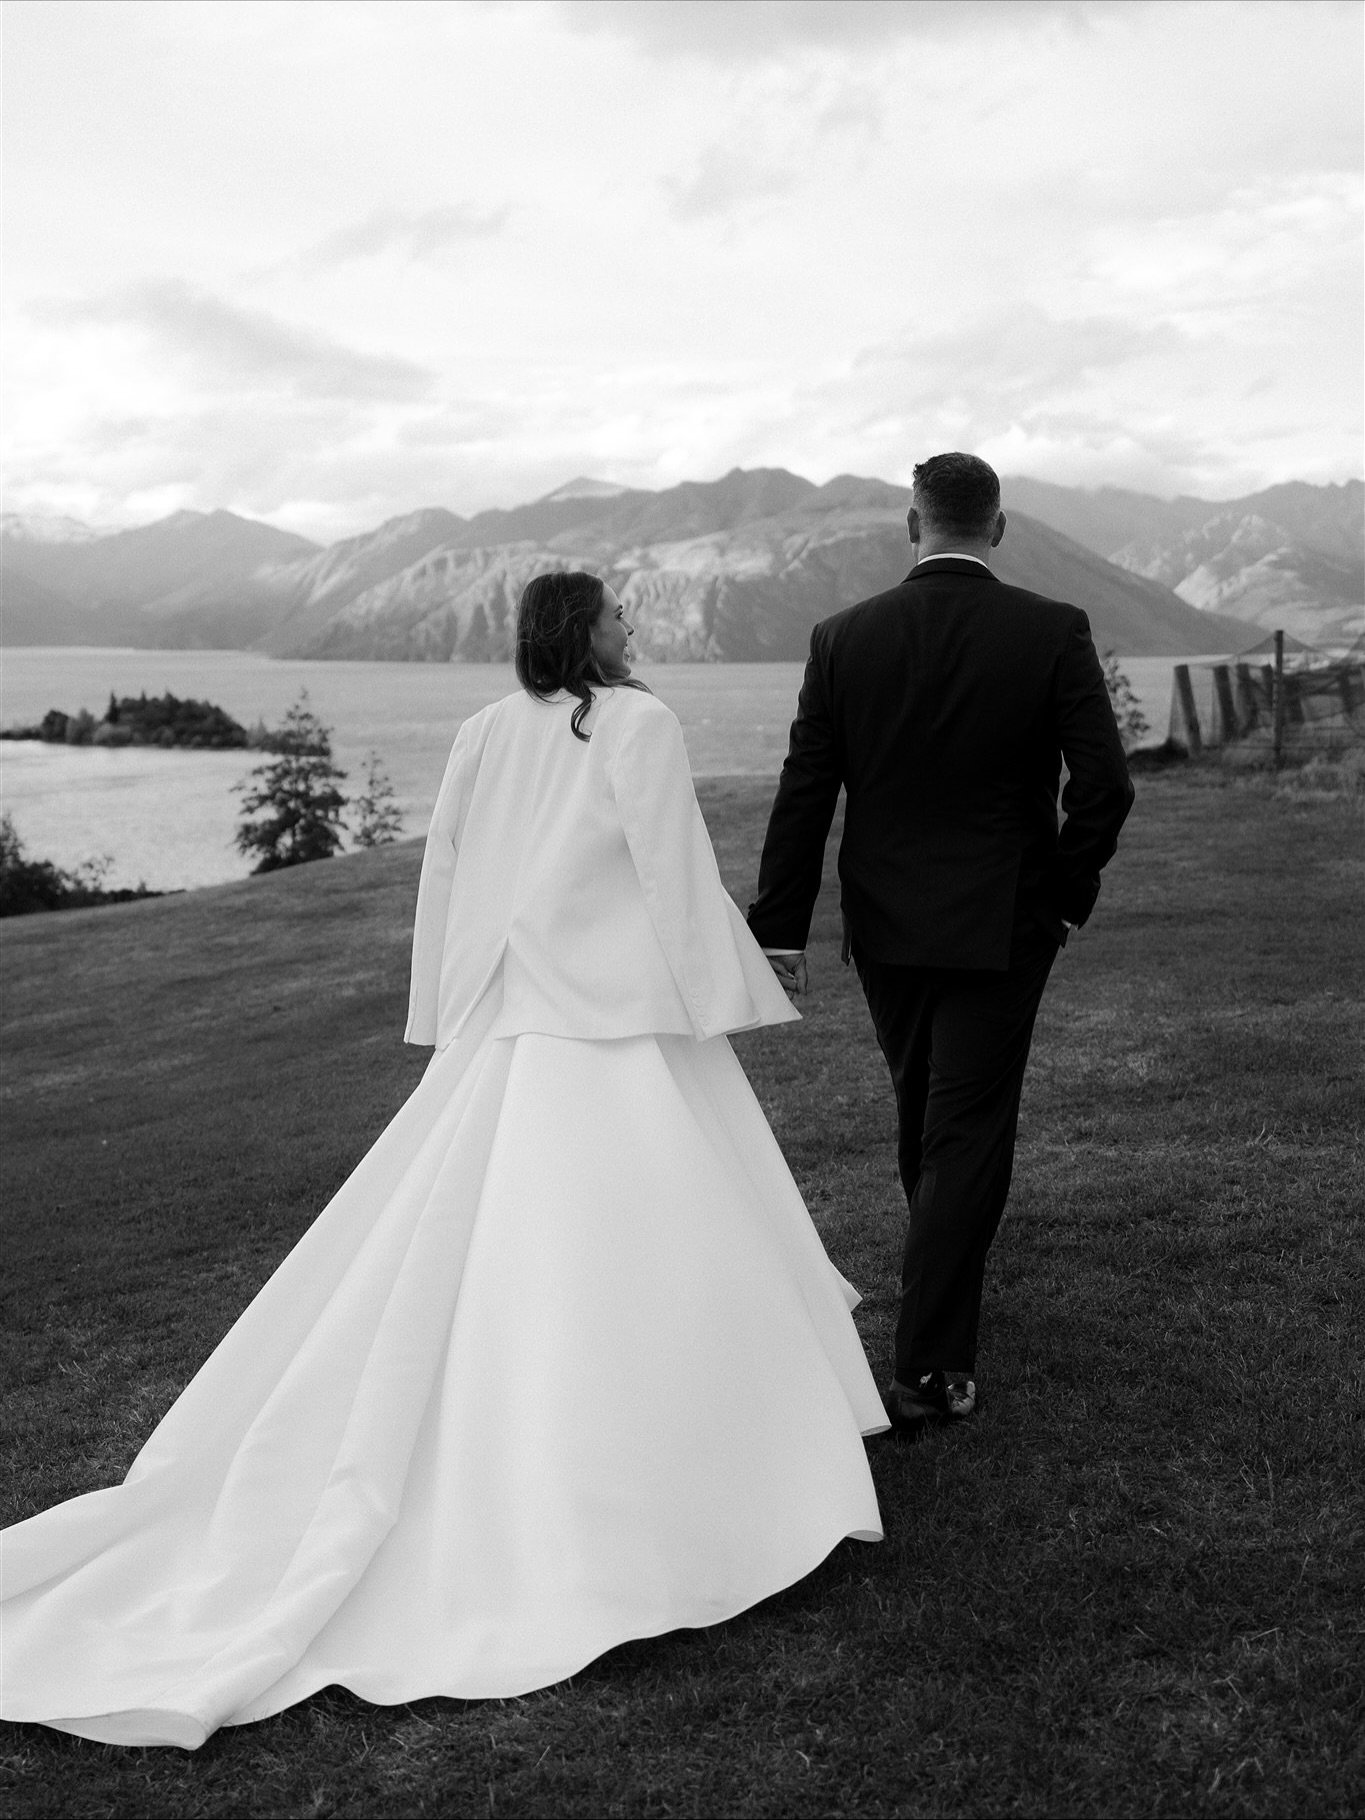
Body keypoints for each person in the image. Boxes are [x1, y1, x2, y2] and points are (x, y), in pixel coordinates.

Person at [0, 571, 885, 1751]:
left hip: (513, 1017)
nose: (633, 624)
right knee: (657, 1237)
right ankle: (688, 1485)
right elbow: (673, 872)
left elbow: (451, 875)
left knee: (474, 1241)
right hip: (613, 1020)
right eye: (618, 611)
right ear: (585, 630)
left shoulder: (479, 730)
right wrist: (722, 991)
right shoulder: (641, 721)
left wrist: (453, 1004)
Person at [747, 454, 1134, 1436]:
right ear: (997, 526)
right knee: (954, 1125)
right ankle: (928, 1364)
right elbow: (1105, 783)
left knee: (932, 1111)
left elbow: (807, 792)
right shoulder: (1051, 631)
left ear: (909, 525)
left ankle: (937, 1314)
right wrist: (1062, 896)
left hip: (886, 923)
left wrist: (780, 927)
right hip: (1004, 922)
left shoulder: (842, 639)